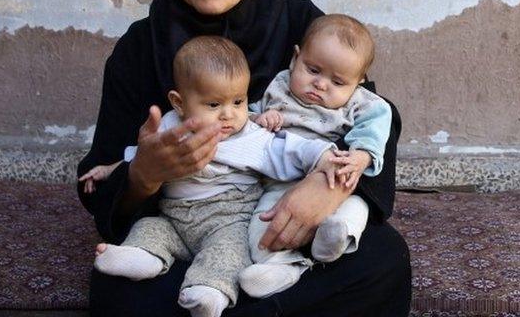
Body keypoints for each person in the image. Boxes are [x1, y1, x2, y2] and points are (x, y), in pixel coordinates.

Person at [76, 0, 412, 315]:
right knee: (118, 288)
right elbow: (100, 175)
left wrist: (324, 189)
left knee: (381, 259)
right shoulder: (141, 47)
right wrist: (144, 175)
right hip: (184, 232)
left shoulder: (300, 24)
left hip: (283, 226)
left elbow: (374, 116)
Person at [90, 36, 340, 317]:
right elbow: (139, 155)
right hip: (173, 216)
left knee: (227, 254)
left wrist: (326, 157)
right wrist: (109, 170)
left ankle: (209, 292)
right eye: (213, 105)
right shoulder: (171, 126)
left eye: (238, 101)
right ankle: (143, 257)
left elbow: (290, 149)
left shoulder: (251, 136)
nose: (229, 115)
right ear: (179, 102)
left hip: (228, 219)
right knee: (149, 228)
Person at [239, 14, 392, 298]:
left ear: (358, 83)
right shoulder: (279, 86)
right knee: (263, 224)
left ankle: (335, 238)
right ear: (295, 58)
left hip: (331, 179)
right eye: (313, 70)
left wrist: (362, 156)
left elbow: (378, 121)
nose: (321, 85)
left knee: (357, 206)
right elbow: (241, 118)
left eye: (337, 81)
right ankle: (281, 267)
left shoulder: (360, 102)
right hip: (280, 183)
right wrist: (260, 117)